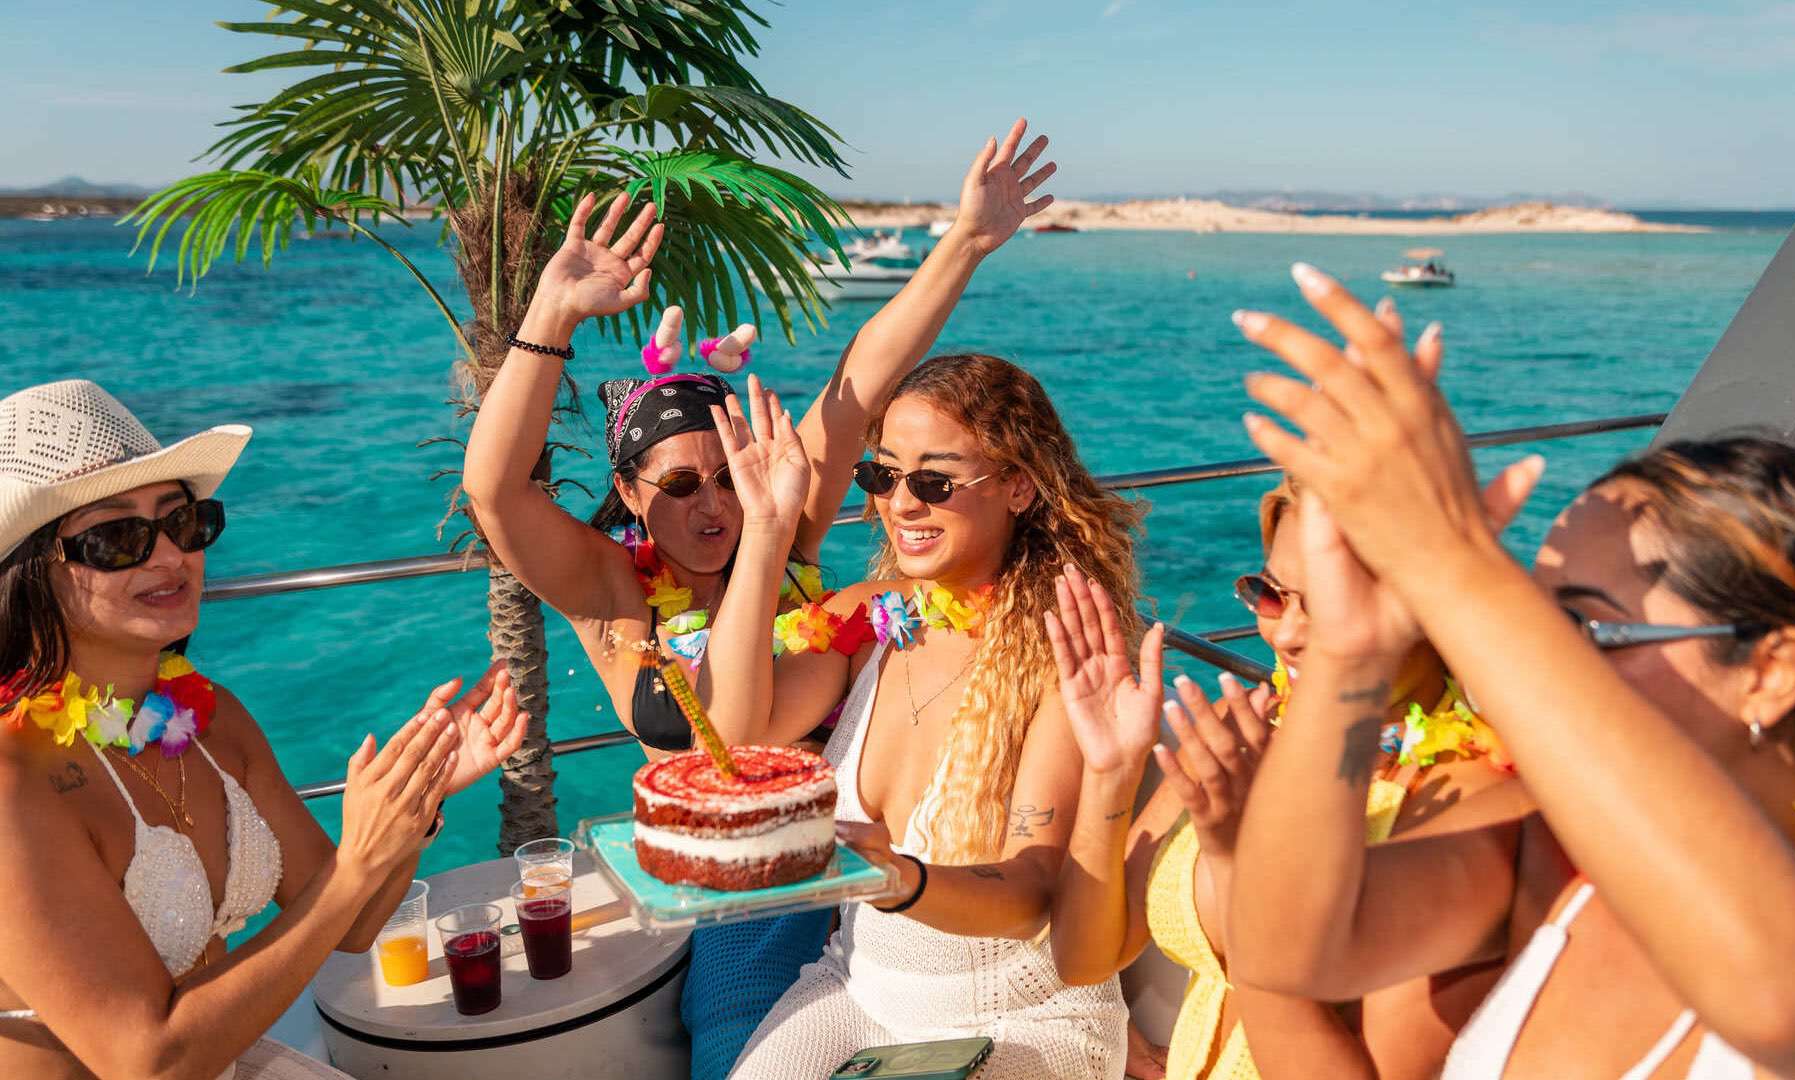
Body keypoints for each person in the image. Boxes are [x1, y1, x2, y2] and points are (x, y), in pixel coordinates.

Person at [461, 120, 1058, 1079]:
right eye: (677, 485)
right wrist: (552, 316)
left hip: (873, 858)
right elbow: (495, 492)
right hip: (745, 903)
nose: (713, 506)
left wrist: (966, 241)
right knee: (739, 1044)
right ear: (629, 495)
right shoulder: (611, 592)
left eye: (727, 476)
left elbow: (862, 377)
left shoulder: (782, 531)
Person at [1229, 262, 1795, 1076]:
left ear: (1769, 671)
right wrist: (1354, 653)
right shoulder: (1546, 846)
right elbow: (1288, 948)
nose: (1539, 665)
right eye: (1543, 619)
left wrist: (1452, 564)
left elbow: (1780, 996)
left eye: (1587, 628)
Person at [0, 380, 526, 1079]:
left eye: (184, 523)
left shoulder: (209, 719)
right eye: (116, 538)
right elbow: (149, 1060)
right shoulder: (15, 779)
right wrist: (355, 866)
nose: (170, 556)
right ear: (31, 570)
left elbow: (354, 922)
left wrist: (416, 795)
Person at [699, 357, 1141, 1078]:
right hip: (855, 989)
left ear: (1019, 486)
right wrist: (768, 531)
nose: (901, 504)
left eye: (934, 481)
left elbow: (1033, 893)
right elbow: (725, 739)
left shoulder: (1062, 654)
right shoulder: (869, 619)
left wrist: (900, 879)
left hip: (1022, 1018)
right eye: (884, 475)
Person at [1045, 444, 1528, 1077]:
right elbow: (1084, 960)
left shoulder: (1470, 798)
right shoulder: (1243, 727)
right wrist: (1111, 771)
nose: (1287, 633)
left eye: (1329, 602)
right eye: (1272, 594)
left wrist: (1241, 860)